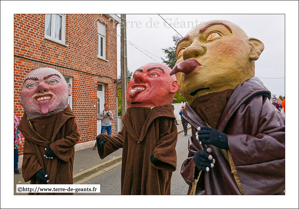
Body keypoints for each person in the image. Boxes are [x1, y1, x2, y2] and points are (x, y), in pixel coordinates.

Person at [170, 20, 285, 195]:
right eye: (182, 50)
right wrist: (195, 163)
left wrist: (228, 142)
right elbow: (191, 158)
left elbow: (282, 146)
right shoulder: (195, 115)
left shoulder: (255, 105)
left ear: (252, 49)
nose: (190, 52)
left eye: (213, 35)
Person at [96, 63, 178, 195]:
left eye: (153, 74)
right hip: (132, 166)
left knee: (152, 190)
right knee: (131, 188)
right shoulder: (130, 117)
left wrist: (161, 155)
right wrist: (109, 143)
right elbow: (125, 136)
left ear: (173, 86)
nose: (137, 76)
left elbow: (169, 138)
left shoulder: (164, 116)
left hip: (152, 166)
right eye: (135, 75)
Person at [18, 68, 80, 194]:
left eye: (52, 81)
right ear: (20, 99)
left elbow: (74, 136)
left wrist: (56, 147)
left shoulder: (66, 118)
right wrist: (35, 169)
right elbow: (29, 150)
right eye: (30, 85)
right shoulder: (28, 125)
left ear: (69, 89)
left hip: (60, 167)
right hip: (41, 174)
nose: (41, 87)